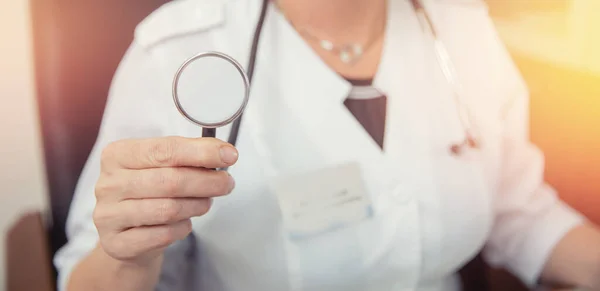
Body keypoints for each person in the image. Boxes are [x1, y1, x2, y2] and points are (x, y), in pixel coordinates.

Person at [54, 0, 600, 290]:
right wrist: (128, 255)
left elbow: (517, 214)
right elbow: (94, 275)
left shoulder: (461, 27)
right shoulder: (179, 49)